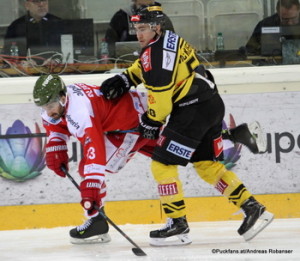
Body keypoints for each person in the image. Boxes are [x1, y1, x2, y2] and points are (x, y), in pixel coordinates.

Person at [100, 4, 274, 246]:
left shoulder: (156, 56)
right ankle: (253, 208)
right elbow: (148, 65)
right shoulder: (169, 38)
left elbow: (160, 107)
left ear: (156, 28)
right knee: (206, 165)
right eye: (136, 28)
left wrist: (150, 122)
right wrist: (127, 77)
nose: (137, 34)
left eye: (142, 29)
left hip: (192, 109)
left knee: (162, 164)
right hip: (210, 103)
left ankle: (177, 224)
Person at [32, 74, 266, 244]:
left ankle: (96, 220)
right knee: (189, 155)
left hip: (133, 125)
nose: (49, 110)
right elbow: (55, 124)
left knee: (93, 168)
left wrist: (91, 186)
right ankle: (234, 142)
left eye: (52, 104)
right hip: (135, 116)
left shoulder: (78, 110)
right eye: (44, 106)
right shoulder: (62, 103)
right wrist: (56, 145)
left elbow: (94, 146)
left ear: (63, 96)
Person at [105, 0, 174, 58]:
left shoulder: (162, 18)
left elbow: (171, 41)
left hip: (155, 62)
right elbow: (110, 42)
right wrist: (112, 58)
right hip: (125, 63)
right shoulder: (121, 17)